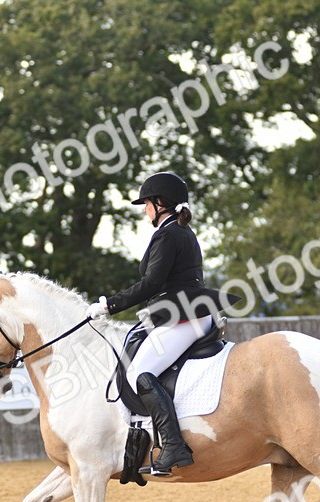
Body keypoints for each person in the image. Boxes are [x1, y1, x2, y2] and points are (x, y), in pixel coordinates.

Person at [86, 171, 233, 476]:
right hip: (190, 312)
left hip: (183, 317)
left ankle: (173, 445)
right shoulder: (181, 231)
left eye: (146, 204)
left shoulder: (168, 233)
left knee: (141, 371)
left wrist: (109, 304)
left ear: (159, 203)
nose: (144, 210)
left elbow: (152, 283)